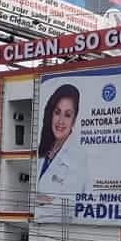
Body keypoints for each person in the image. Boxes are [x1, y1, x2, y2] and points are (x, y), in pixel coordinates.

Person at [36, 83, 88, 221]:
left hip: (56, 230)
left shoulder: (79, 157)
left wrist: (38, 200)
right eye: (57, 112)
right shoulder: (42, 148)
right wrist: (42, 200)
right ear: (51, 113)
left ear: (74, 120)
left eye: (67, 115)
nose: (60, 121)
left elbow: (69, 206)